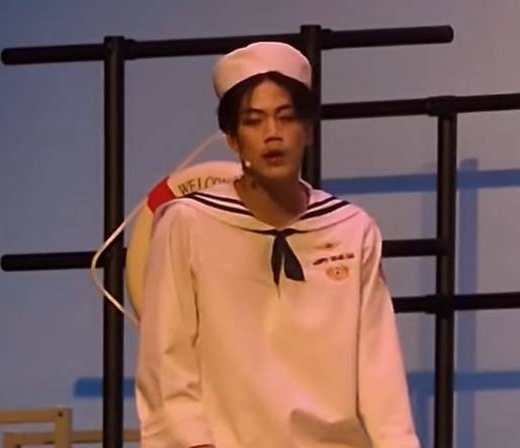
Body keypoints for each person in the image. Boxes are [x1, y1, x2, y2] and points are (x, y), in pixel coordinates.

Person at [136, 41, 420, 448]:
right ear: (232, 138)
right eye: (254, 121)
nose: (272, 134)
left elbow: (379, 368)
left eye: (286, 117)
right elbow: (167, 363)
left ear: (308, 130)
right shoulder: (189, 224)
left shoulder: (351, 229)